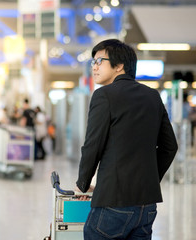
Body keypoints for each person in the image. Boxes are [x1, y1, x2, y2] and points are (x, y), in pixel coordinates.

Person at [75, 39, 178, 240]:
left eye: (99, 61)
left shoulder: (104, 95)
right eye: (93, 62)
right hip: (147, 206)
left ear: (119, 65)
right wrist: (147, 181)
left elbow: (92, 145)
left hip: (114, 203)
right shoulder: (152, 96)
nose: (94, 67)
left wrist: (83, 183)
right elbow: (170, 146)